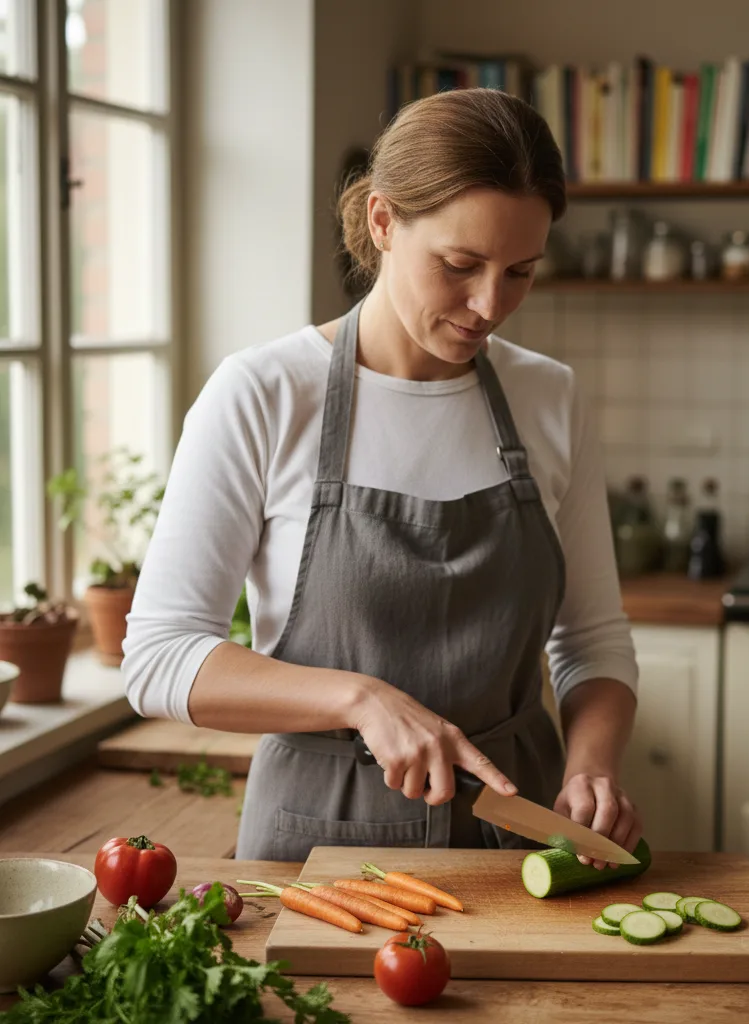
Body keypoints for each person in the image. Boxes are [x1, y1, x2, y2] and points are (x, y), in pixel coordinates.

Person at [122, 87, 642, 865]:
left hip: (521, 839)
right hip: (315, 844)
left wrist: (591, 762)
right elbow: (159, 656)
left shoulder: (550, 397)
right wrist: (358, 699)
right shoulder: (263, 394)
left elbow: (592, 639)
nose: (489, 305)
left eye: (520, 272)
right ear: (382, 220)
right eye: (460, 265)